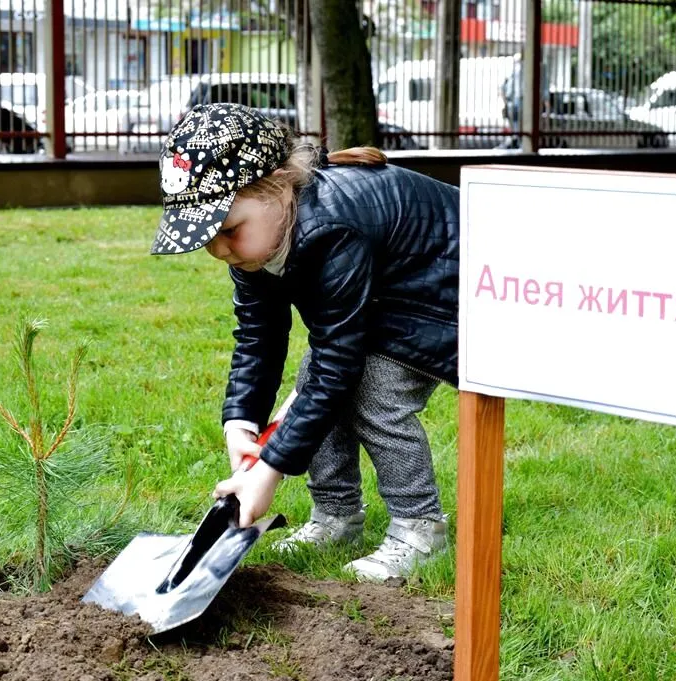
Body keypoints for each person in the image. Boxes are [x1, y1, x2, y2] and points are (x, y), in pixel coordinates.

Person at [150, 103, 460, 582]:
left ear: (277, 188)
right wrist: (241, 421)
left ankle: (420, 528)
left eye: (229, 230)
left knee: (372, 394)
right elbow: (259, 336)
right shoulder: (262, 241)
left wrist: (269, 469)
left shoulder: (330, 225)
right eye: (207, 238)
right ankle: (337, 516)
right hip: (379, 296)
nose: (220, 250)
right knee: (313, 383)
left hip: (442, 293)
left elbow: (339, 362)